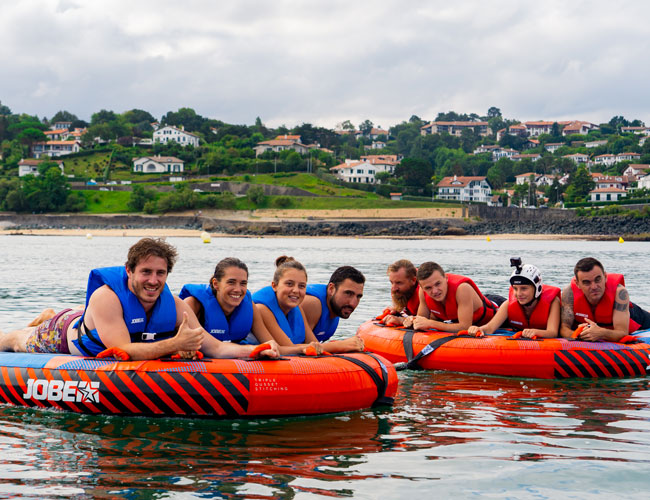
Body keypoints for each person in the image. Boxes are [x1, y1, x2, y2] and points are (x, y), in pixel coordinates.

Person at [0, 238, 279, 360]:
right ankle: (47, 320)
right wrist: (175, 344)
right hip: (64, 337)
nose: (154, 280)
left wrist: (255, 351)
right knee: (17, 341)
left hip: (100, 321)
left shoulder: (176, 306)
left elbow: (217, 349)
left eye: (161, 273)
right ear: (129, 271)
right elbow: (122, 350)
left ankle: (56, 313)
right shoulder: (106, 296)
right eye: (146, 272)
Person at [180, 257, 318, 355]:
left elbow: (273, 346)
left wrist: (303, 349)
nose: (238, 289)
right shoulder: (193, 305)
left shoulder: (249, 307)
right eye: (231, 282)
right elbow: (177, 343)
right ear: (216, 284)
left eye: (243, 283)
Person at [253, 256, 364, 353]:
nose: (296, 290)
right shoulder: (262, 309)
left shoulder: (297, 308)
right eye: (289, 284)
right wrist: (338, 346)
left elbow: (314, 344)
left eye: (301, 286)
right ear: (274, 285)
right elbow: (287, 349)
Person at [560, 257, 650, 341]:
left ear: (605, 277)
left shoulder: (620, 293)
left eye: (597, 280)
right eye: (587, 282)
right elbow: (564, 329)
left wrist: (600, 333)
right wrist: (578, 335)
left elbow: (623, 332)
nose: (594, 286)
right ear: (577, 283)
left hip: (632, 315)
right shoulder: (569, 294)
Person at [468, 259, 560, 338]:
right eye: (515, 288)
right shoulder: (508, 304)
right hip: (494, 301)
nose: (519, 294)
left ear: (537, 288)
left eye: (524, 288)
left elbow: (552, 332)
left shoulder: (553, 302)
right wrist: (478, 329)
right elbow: (490, 328)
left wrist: (535, 332)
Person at [403, 261, 503, 333]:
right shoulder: (423, 292)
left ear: (446, 278)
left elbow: (465, 326)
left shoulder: (462, 289)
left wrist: (430, 323)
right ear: (421, 287)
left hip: (496, 306)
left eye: (438, 284)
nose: (435, 291)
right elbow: (421, 320)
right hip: (467, 304)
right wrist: (411, 320)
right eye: (428, 288)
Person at [301, 266, 366, 352]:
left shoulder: (336, 308)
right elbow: (299, 349)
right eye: (348, 293)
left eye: (358, 296)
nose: (353, 303)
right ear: (331, 289)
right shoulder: (312, 303)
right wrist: (340, 345)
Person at [379, 259, 420, 326]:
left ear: (413, 280)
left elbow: (425, 321)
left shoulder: (427, 289)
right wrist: (396, 309)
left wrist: (401, 320)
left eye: (399, 283)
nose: (393, 288)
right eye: (391, 282)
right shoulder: (397, 289)